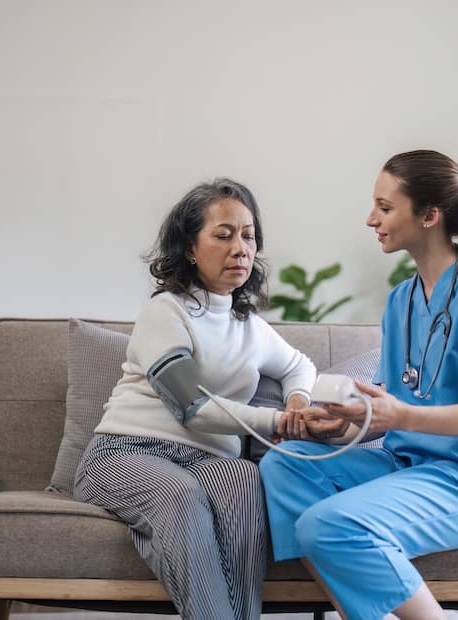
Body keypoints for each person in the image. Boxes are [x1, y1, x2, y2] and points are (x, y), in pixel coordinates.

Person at [261, 149, 458, 620]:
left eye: (385, 207)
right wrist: (339, 423)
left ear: (430, 215)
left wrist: (399, 416)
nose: (372, 218)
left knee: (329, 524)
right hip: (409, 464)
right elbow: (388, 405)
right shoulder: (401, 301)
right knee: (286, 465)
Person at [73, 178, 318, 620]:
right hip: (124, 454)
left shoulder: (249, 326)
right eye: (223, 235)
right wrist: (279, 422)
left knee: (245, 485)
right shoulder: (165, 312)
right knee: (180, 496)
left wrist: (298, 399)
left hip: (206, 461)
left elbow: (298, 364)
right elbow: (194, 408)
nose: (240, 248)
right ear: (190, 248)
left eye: (248, 235)